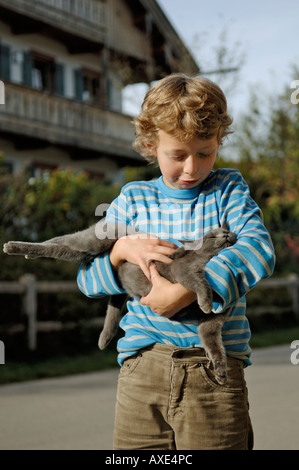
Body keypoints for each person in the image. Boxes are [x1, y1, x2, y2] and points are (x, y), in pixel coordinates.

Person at [77, 74, 275, 450]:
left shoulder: (228, 189)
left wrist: (187, 291)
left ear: (219, 141)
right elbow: (87, 279)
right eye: (178, 155)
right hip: (141, 367)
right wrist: (118, 252)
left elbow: (258, 248)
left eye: (205, 153)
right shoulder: (133, 199)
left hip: (213, 371)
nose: (192, 168)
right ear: (151, 145)